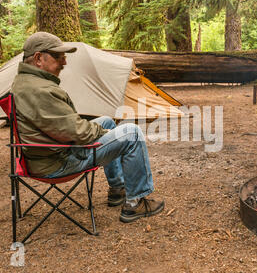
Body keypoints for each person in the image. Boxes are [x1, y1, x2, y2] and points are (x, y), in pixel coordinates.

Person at [11, 31, 164, 223]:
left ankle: (118, 189)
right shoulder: (39, 90)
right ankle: (135, 203)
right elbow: (77, 132)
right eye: (58, 56)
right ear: (39, 58)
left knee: (107, 120)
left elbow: (66, 127)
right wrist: (105, 134)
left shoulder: (25, 82)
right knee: (132, 133)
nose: (64, 62)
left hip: (46, 155)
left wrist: (103, 130)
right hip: (60, 161)